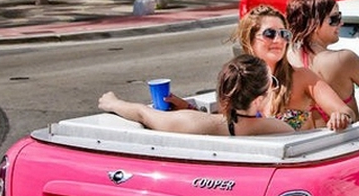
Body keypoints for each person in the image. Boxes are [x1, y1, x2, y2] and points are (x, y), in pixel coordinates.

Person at [97, 54, 294, 136]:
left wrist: (113, 103)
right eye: (271, 83)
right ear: (258, 100)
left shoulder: (194, 123)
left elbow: (142, 113)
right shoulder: (278, 129)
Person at [233, 4, 355, 131]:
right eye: (270, 33)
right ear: (250, 39)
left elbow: (345, 110)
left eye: (284, 34)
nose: (278, 40)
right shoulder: (238, 82)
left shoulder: (302, 77)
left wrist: (341, 117)